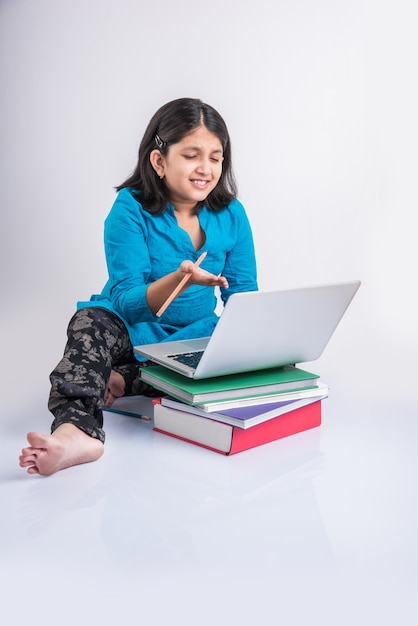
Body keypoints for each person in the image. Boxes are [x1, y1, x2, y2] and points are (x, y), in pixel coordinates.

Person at [19, 97, 258, 476]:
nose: (206, 168)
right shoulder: (129, 208)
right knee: (90, 323)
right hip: (130, 329)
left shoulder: (232, 214)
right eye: (192, 155)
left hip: (192, 336)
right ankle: (76, 431)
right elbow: (128, 301)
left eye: (216, 157)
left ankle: (120, 380)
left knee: (223, 359)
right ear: (159, 161)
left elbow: (243, 297)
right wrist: (179, 280)